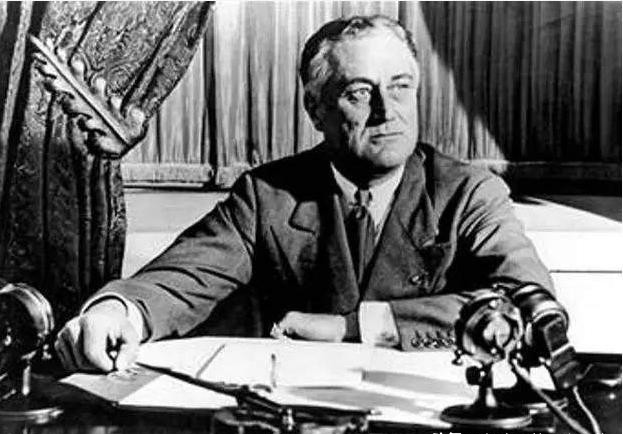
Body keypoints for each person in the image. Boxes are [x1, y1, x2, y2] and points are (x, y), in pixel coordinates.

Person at [54, 15, 553, 372]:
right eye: (360, 93)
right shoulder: (268, 196)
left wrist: (353, 327)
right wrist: (118, 311)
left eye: (401, 87)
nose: (388, 111)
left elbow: (529, 305)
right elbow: (183, 277)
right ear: (316, 111)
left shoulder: (469, 192)